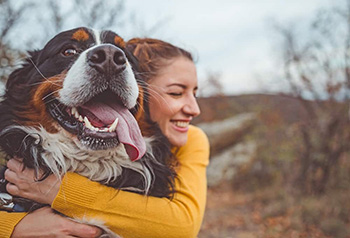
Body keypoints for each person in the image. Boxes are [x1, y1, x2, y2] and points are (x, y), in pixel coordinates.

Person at [0, 38, 210, 238]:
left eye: (195, 94)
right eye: (175, 93)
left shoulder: (192, 139)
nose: (195, 109)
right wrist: (13, 227)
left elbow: (182, 225)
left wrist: (59, 191)